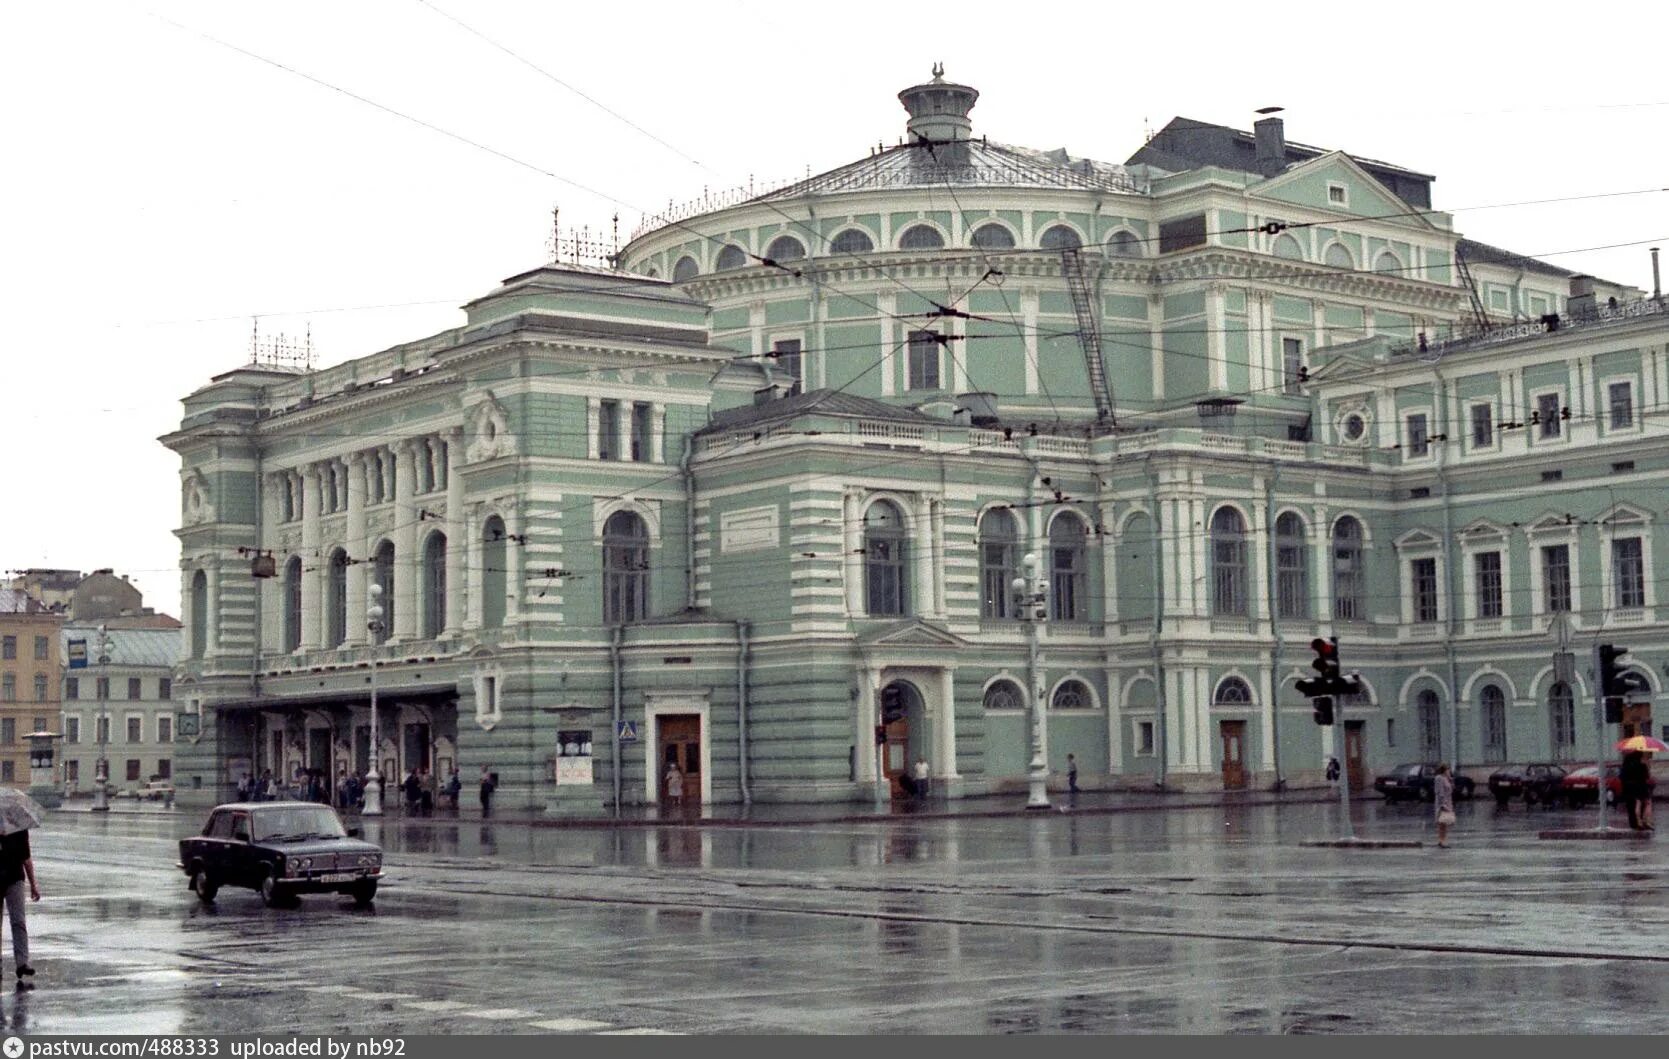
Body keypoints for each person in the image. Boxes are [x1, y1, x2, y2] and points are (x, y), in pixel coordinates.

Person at [0, 828, 39, 983]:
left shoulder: (18, 828)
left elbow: (26, 858)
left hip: (15, 879)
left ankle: (22, 963)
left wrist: (33, 885)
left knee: (18, 921)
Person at [1621, 751, 1652, 831]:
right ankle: (1646, 821)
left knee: (1636, 804)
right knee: (1647, 803)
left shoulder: (1626, 764)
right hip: (1641, 785)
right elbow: (1647, 776)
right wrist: (1647, 766)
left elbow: (1622, 776)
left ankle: (1638, 822)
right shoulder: (1642, 764)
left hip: (1630, 787)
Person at [1434, 763, 1456, 848]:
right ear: (1444, 770)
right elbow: (1440, 792)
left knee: (1444, 823)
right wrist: (1443, 804)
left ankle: (1442, 840)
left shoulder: (1446, 779)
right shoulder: (1439, 778)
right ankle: (1442, 841)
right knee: (1442, 823)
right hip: (1442, 803)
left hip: (1448, 802)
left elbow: (1451, 789)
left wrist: (1450, 780)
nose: (1449, 771)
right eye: (1448, 769)